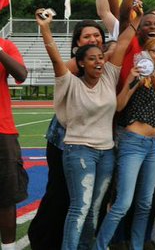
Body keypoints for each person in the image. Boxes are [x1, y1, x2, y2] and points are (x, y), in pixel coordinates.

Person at [36, 8, 132, 250]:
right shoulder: (68, 80)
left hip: (106, 152)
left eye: (101, 56)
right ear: (80, 60)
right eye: (92, 58)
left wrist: (136, 19)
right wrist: (45, 28)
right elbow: (56, 57)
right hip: (78, 150)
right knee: (79, 206)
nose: (99, 61)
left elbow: (123, 43)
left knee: (94, 209)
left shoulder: (109, 75)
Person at [96, 35, 155, 249]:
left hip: (152, 146)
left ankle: (136, 247)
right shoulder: (140, 75)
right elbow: (118, 106)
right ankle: (100, 246)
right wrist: (131, 78)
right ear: (147, 53)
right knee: (123, 204)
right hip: (133, 143)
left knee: (145, 204)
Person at [28, 20, 110, 249]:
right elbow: (59, 63)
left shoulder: (103, 64)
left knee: (87, 202)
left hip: (94, 144)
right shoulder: (74, 67)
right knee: (60, 195)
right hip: (64, 141)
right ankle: (44, 239)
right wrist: (45, 30)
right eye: (87, 37)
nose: (94, 39)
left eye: (97, 35)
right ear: (77, 45)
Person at [0, 35, 28, 250]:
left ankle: (8, 247)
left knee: (7, 195)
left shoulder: (6, 45)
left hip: (3, 130)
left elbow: (21, 74)